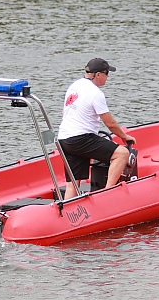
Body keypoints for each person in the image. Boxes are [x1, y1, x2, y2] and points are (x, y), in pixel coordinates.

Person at [56, 58, 135, 196]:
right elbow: (109, 123)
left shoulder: (74, 86)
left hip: (64, 139)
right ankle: (107, 194)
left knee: (73, 184)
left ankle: (68, 212)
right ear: (98, 74)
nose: (108, 77)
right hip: (81, 138)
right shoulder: (95, 93)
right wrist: (124, 136)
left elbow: (65, 111)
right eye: (106, 73)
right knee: (122, 154)